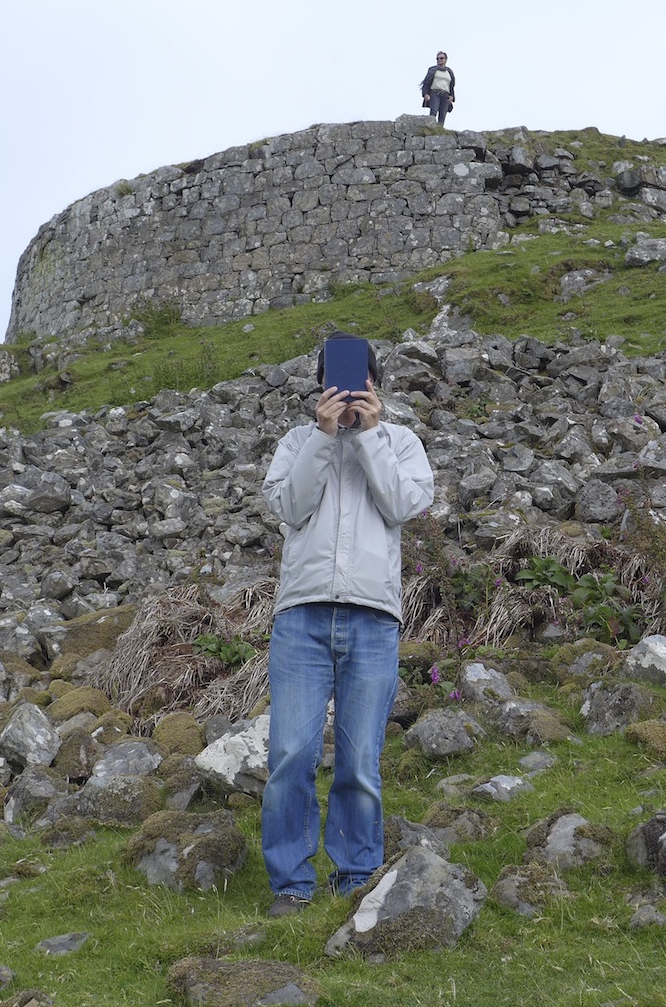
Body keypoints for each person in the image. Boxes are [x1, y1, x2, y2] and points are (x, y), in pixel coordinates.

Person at [260, 332, 435, 918]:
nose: (350, 392)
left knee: (360, 760)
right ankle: (291, 883)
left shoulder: (400, 442)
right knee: (290, 753)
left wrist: (367, 438)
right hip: (302, 615)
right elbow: (289, 508)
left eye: (362, 381)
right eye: (336, 381)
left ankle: (356, 877)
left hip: (373, 617)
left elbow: (404, 506)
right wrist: (323, 436)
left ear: (375, 385)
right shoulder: (296, 442)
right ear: (320, 386)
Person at [421, 51, 455, 126]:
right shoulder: (432, 70)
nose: (439, 60)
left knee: (443, 114)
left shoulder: (449, 72)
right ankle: (430, 128)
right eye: (437, 58)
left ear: (446, 60)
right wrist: (425, 94)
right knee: (433, 111)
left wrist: (451, 96)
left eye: (441, 58)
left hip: (445, 95)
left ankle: (440, 130)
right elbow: (426, 83)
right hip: (435, 93)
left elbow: (451, 85)